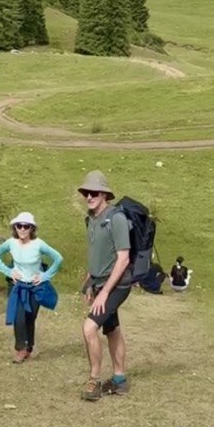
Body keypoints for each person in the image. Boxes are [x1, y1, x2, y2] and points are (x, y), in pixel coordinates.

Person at [78, 170, 131, 401]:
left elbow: (123, 258)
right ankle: (119, 380)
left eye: (93, 193)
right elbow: (96, 252)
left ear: (104, 195)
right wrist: (90, 282)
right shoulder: (90, 219)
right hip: (100, 283)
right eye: (85, 193)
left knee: (89, 328)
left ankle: (94, 381)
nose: (89, 196)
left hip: (118, 284)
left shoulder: (116, 219)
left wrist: (105, 293)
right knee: (112, 329)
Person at [0, 212, 63, 362]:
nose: (22, 229)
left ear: (31, 229)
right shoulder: (10, 243)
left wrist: (44, 276)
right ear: (15, 227)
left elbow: (58, 258)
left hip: (35, 287)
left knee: (30, 317)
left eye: (26, 226)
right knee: (19, 316)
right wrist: (9, 272)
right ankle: (20, 349)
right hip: (18, 286)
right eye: (19, 226)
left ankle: (29, 347)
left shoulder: (39, 244)